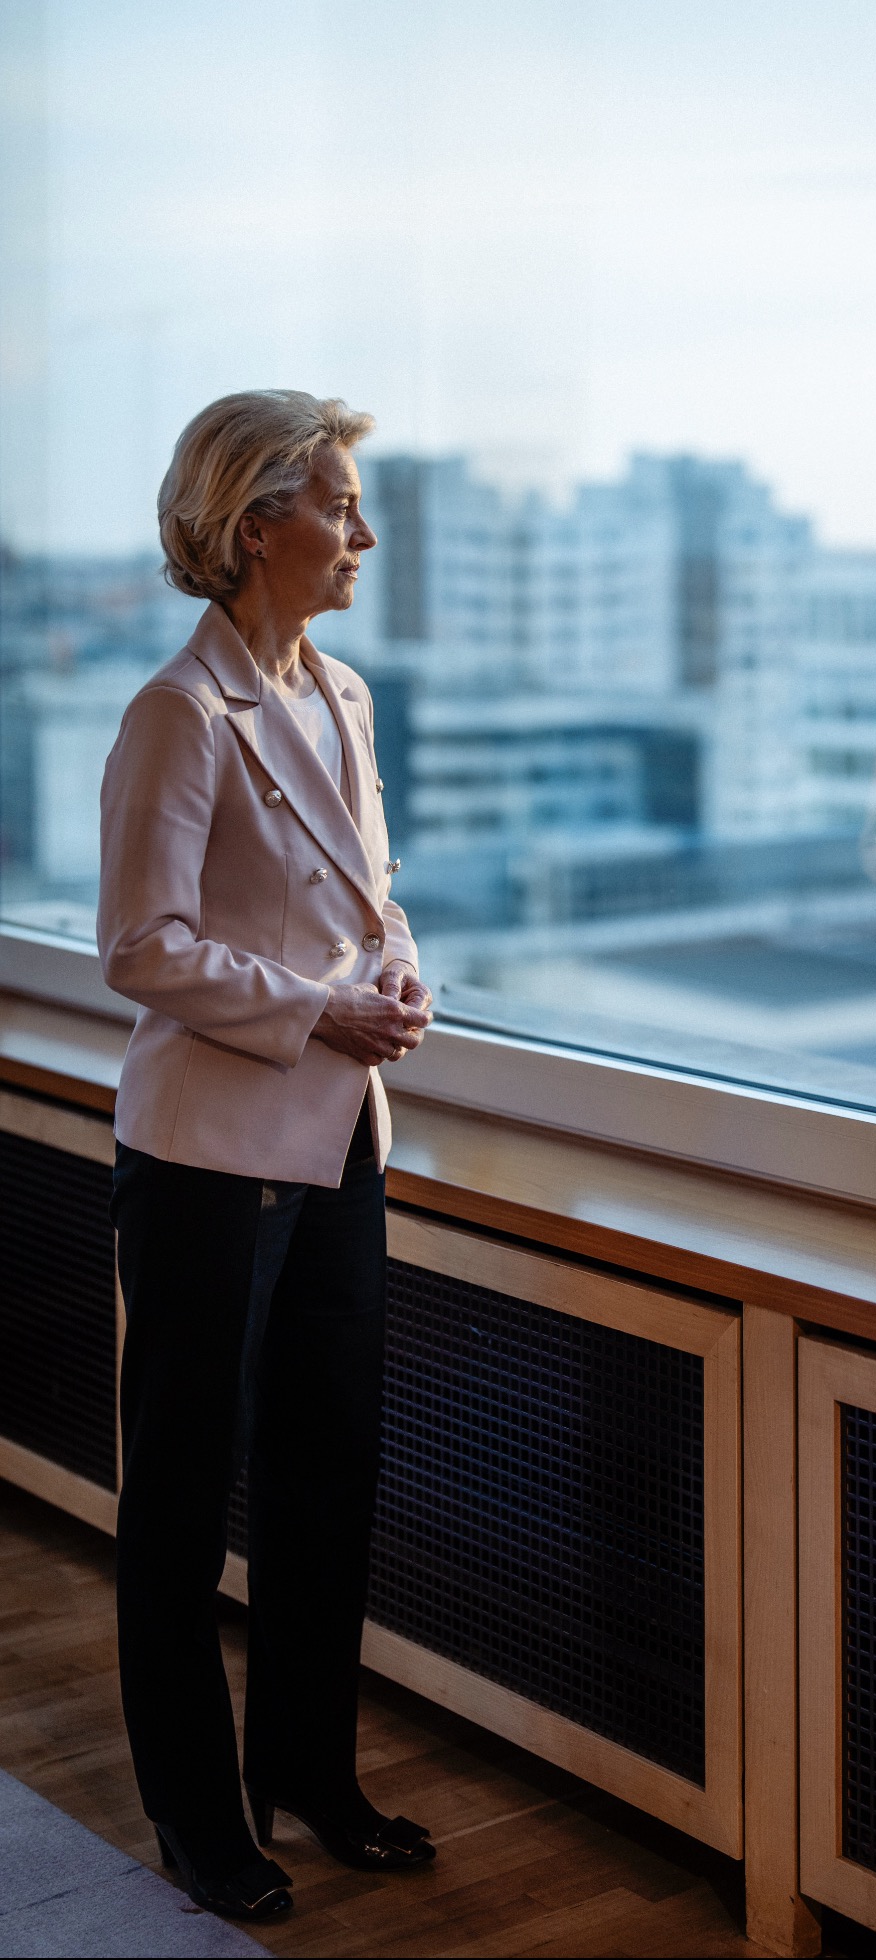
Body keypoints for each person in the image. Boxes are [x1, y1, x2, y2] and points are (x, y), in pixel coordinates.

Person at [98, 390, 436, 1922]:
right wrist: (324, 1013)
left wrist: (405, 979)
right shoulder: (177, 711)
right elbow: (140, 948)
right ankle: (197, 1815)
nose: (363, 534)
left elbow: (371, 898)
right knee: (180, 1501)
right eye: (340, 508)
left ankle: (307, 1768)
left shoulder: (345, 695)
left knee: (325, 1477)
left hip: (337, 1144)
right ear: (254, 527)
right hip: (208, 1155)